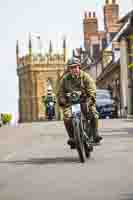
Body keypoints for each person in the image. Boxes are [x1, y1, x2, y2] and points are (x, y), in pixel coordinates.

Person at [57, 57, 102, 148]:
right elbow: (60, 92)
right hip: (70, 103)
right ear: (69, 69)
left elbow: (92, 89)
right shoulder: (64, 79)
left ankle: (95, 134)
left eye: (75, 67)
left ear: (79, 67)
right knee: (67, 117)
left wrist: (90, 99)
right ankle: (72, 138)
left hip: (85, 101)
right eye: (71, 67)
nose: (74, 69)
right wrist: (62, 99)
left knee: (93, 114)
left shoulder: (85, 76)